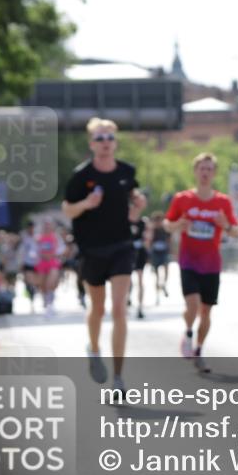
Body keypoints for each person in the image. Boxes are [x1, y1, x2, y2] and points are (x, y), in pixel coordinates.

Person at [62, 118, 146, 394]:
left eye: (109, 137)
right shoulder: (81, 176)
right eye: (100, 138)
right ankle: (94, 349)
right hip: (91, 249)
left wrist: (138, 205)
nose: (105, 142)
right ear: (92, 144)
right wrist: (86, 204)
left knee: (119, 308)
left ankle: (118, 378)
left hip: (121, 246)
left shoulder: (126, 171)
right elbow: (68, 210)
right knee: (97, 309)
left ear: (115, 142)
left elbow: (132, 204)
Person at [164, 152, 238, 373]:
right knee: (193, 304)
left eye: (209, 169)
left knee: (206, 312)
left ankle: (199, 349)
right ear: (195, 172)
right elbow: (167, 224)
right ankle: (188, 333)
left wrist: (225, 225)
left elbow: (236, 231)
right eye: (201, 169)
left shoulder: (222, 202)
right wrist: (178, 224)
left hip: (211, 264)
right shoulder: (183, 199)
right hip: (188, 260)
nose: (205, 173)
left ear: (214, 173)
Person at [34, 219, 65, 317]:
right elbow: (33, 250)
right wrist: (39, 255)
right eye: (45, 225)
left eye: (49, 225)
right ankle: (46, 301)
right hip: (42, 262)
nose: (47, 227)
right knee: (42, 284)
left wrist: (54, 254)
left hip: (53, 262)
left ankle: (50, 304)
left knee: (50, 283)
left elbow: (62, 248)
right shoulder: (38, 237)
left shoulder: (56, 237)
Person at [129, 214, 151, 319]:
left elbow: (148, 239)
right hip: (126, 254)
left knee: (140, 280)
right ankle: (126, 301)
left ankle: (140, 307)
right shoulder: (124, 221)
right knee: (126, 281)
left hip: (140, 254)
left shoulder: (144, 223)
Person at [149, 212, 171, 302]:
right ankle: (157, 296)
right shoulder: (152, 230)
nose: (158, 223)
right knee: (157, 276)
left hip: (164, 253)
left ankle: (164, 284)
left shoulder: (165, 230)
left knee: (166, 270)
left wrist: (171, 251)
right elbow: (149, 242)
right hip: (155, 253)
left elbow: (169, 241)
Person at [18, 221, 39, 307]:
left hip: (37, 263)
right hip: (27, 262)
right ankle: (31, 298)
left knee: (35, 282)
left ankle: (34, 295)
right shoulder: (24, 239)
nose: (31, 229)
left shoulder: (38, 237)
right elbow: (21, 252)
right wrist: (21, 262)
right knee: (28, 281)